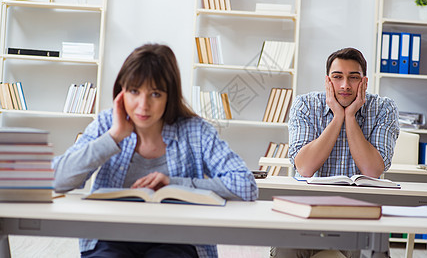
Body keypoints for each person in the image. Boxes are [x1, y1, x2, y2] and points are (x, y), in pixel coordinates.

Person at [53, 43, 258, 258]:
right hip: (111, 238)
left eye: (155, 94)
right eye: (134, 91)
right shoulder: (106, 124)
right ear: (121, 92)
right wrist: (113, 137)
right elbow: (57, 179)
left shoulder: (196, 131)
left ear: (170, 96)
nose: (143, 105)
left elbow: (245, 185)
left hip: (176, 241)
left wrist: (174, 183)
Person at [271, 47, 399, 258]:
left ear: (364, 81)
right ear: (327, 81)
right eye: (337, 77)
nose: (345, 85)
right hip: (307, 214)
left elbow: (372, 170)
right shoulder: (305, 105)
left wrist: (350, 117)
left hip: (359, 218)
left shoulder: (383, 108)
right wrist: (337, 116)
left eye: (353, 78)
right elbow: (304, 167)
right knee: (286, 249)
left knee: (374, 252)